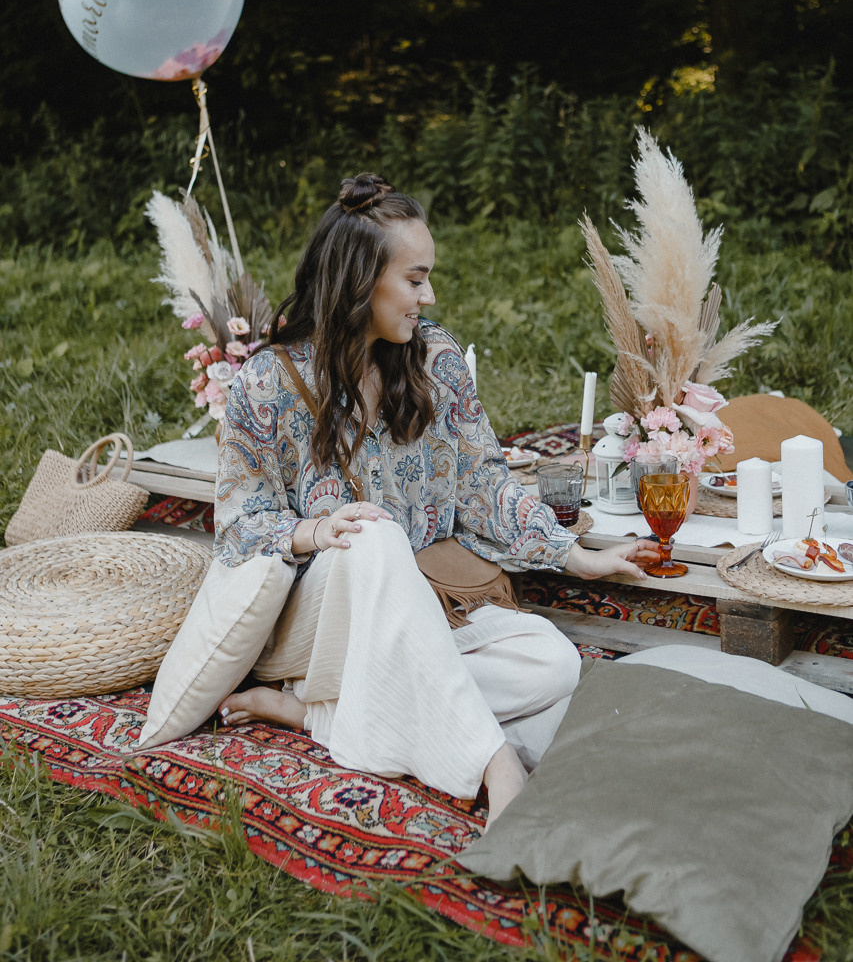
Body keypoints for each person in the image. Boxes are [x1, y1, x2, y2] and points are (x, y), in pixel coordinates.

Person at [215, 173, 656, 826]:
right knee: (372, 534)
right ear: (361, 281)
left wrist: (573, 555)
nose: (429, 295)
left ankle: (316, 712)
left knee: (552, 663)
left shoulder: (435, 359)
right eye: (414, 279)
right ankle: (493, 762)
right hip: (316, 616)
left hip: (421, 609)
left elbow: (485, 485)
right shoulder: (264, 383)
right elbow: (235, 529)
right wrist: (317, 531)